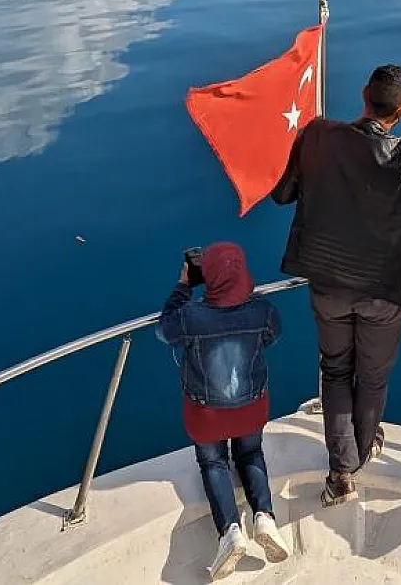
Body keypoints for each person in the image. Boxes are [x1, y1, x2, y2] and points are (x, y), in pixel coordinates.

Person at [272, 63, 401, 507]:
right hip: (384, 288)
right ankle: (356, 456)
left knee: (335, 370)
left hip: (328, 282)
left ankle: (342, 471)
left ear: (363, 92)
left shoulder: (315, 135)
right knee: (374, 377)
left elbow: (282, 195)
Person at [158, 242, 290, 580]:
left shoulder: (190, 318)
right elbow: (273, 335)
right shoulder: (263, 311)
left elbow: (164, 330)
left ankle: (230, 532)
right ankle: (265, 517)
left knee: (213, 462)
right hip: (251, 408)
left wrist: (183, 286)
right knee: (250, 454)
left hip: (207, 416)